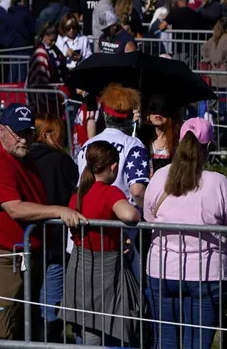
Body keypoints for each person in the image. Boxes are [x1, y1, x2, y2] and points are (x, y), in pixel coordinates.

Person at [0, 105, 86, 339]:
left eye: (28, 133)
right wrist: (58, 210)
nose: (25, 140)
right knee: (3, 328)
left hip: (25, 254)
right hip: (3, 257)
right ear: (2, 130)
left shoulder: (23, 158)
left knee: (25, 323)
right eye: (19, 133)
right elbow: (14, 208)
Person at [144, 118, 227, 349]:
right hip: (205, 275)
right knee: (197, 344)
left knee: (165, 343)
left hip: (162, 270)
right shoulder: (218, 182)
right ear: (208, 148)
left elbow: (149, 219)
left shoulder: (159, 177)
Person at [62, 140, 143, 346]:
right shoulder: (109, 192)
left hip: (80, 267)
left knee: (90, 327)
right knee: (115, 326)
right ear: (114, 166)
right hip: (106, 270)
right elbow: (130, 214)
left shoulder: (78, 193)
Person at [30, 115, 78, 341]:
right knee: (51, 297)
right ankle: (48, 339)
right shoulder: (63, 161)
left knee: (30, 294)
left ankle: (36, 337)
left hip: (29, 236)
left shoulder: (24, 159)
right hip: (56, 239)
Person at [77, 85, 150, 209]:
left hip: (89, 216)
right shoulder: (134, 145)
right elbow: (137, 191)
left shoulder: (87, 144)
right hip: (124, 221)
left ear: (105, 115)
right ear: (129, 116)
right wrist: (149, 215)